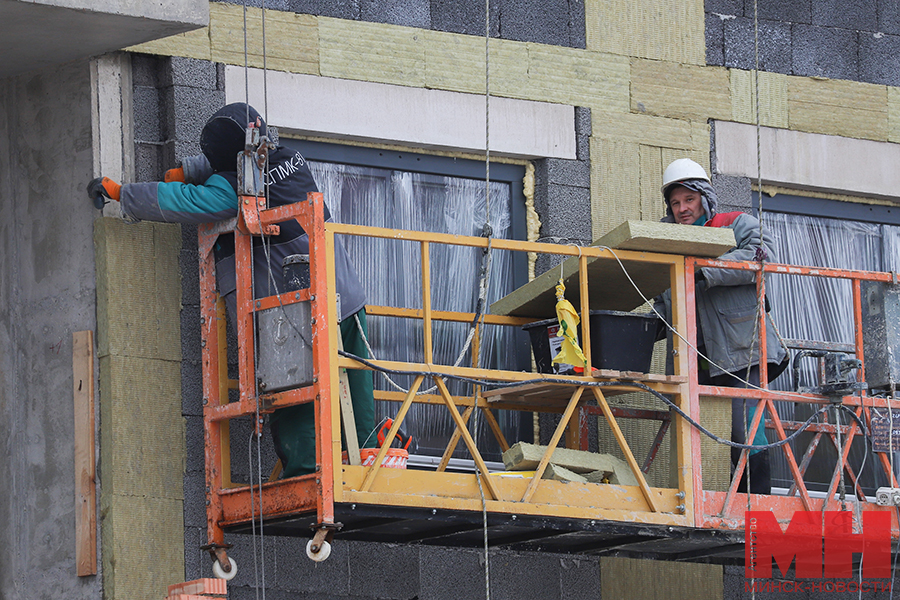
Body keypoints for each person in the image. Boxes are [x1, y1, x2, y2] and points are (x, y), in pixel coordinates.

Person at [88, 102, 376, 478]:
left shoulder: (231, 189)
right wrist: (192, 170)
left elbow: (190, 200)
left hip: (297, 309)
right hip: (346, 296)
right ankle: (368, 459)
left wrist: (122, 192)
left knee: (296, 387)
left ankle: (307, 471)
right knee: (355, 382)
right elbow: (240, 163)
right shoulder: (292, 158)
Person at [654, 158, 788, 494]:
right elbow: (663, 299)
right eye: (675, 202)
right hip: (698, 357)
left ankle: (754, 503)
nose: (682, 208)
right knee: (708, 433)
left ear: (704, 198)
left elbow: (763, 256)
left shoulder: (735, 223)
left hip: (743, 347)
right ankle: (726, 501)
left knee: (746, 429)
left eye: (689, 199)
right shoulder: (669, 240)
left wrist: (705, 267)